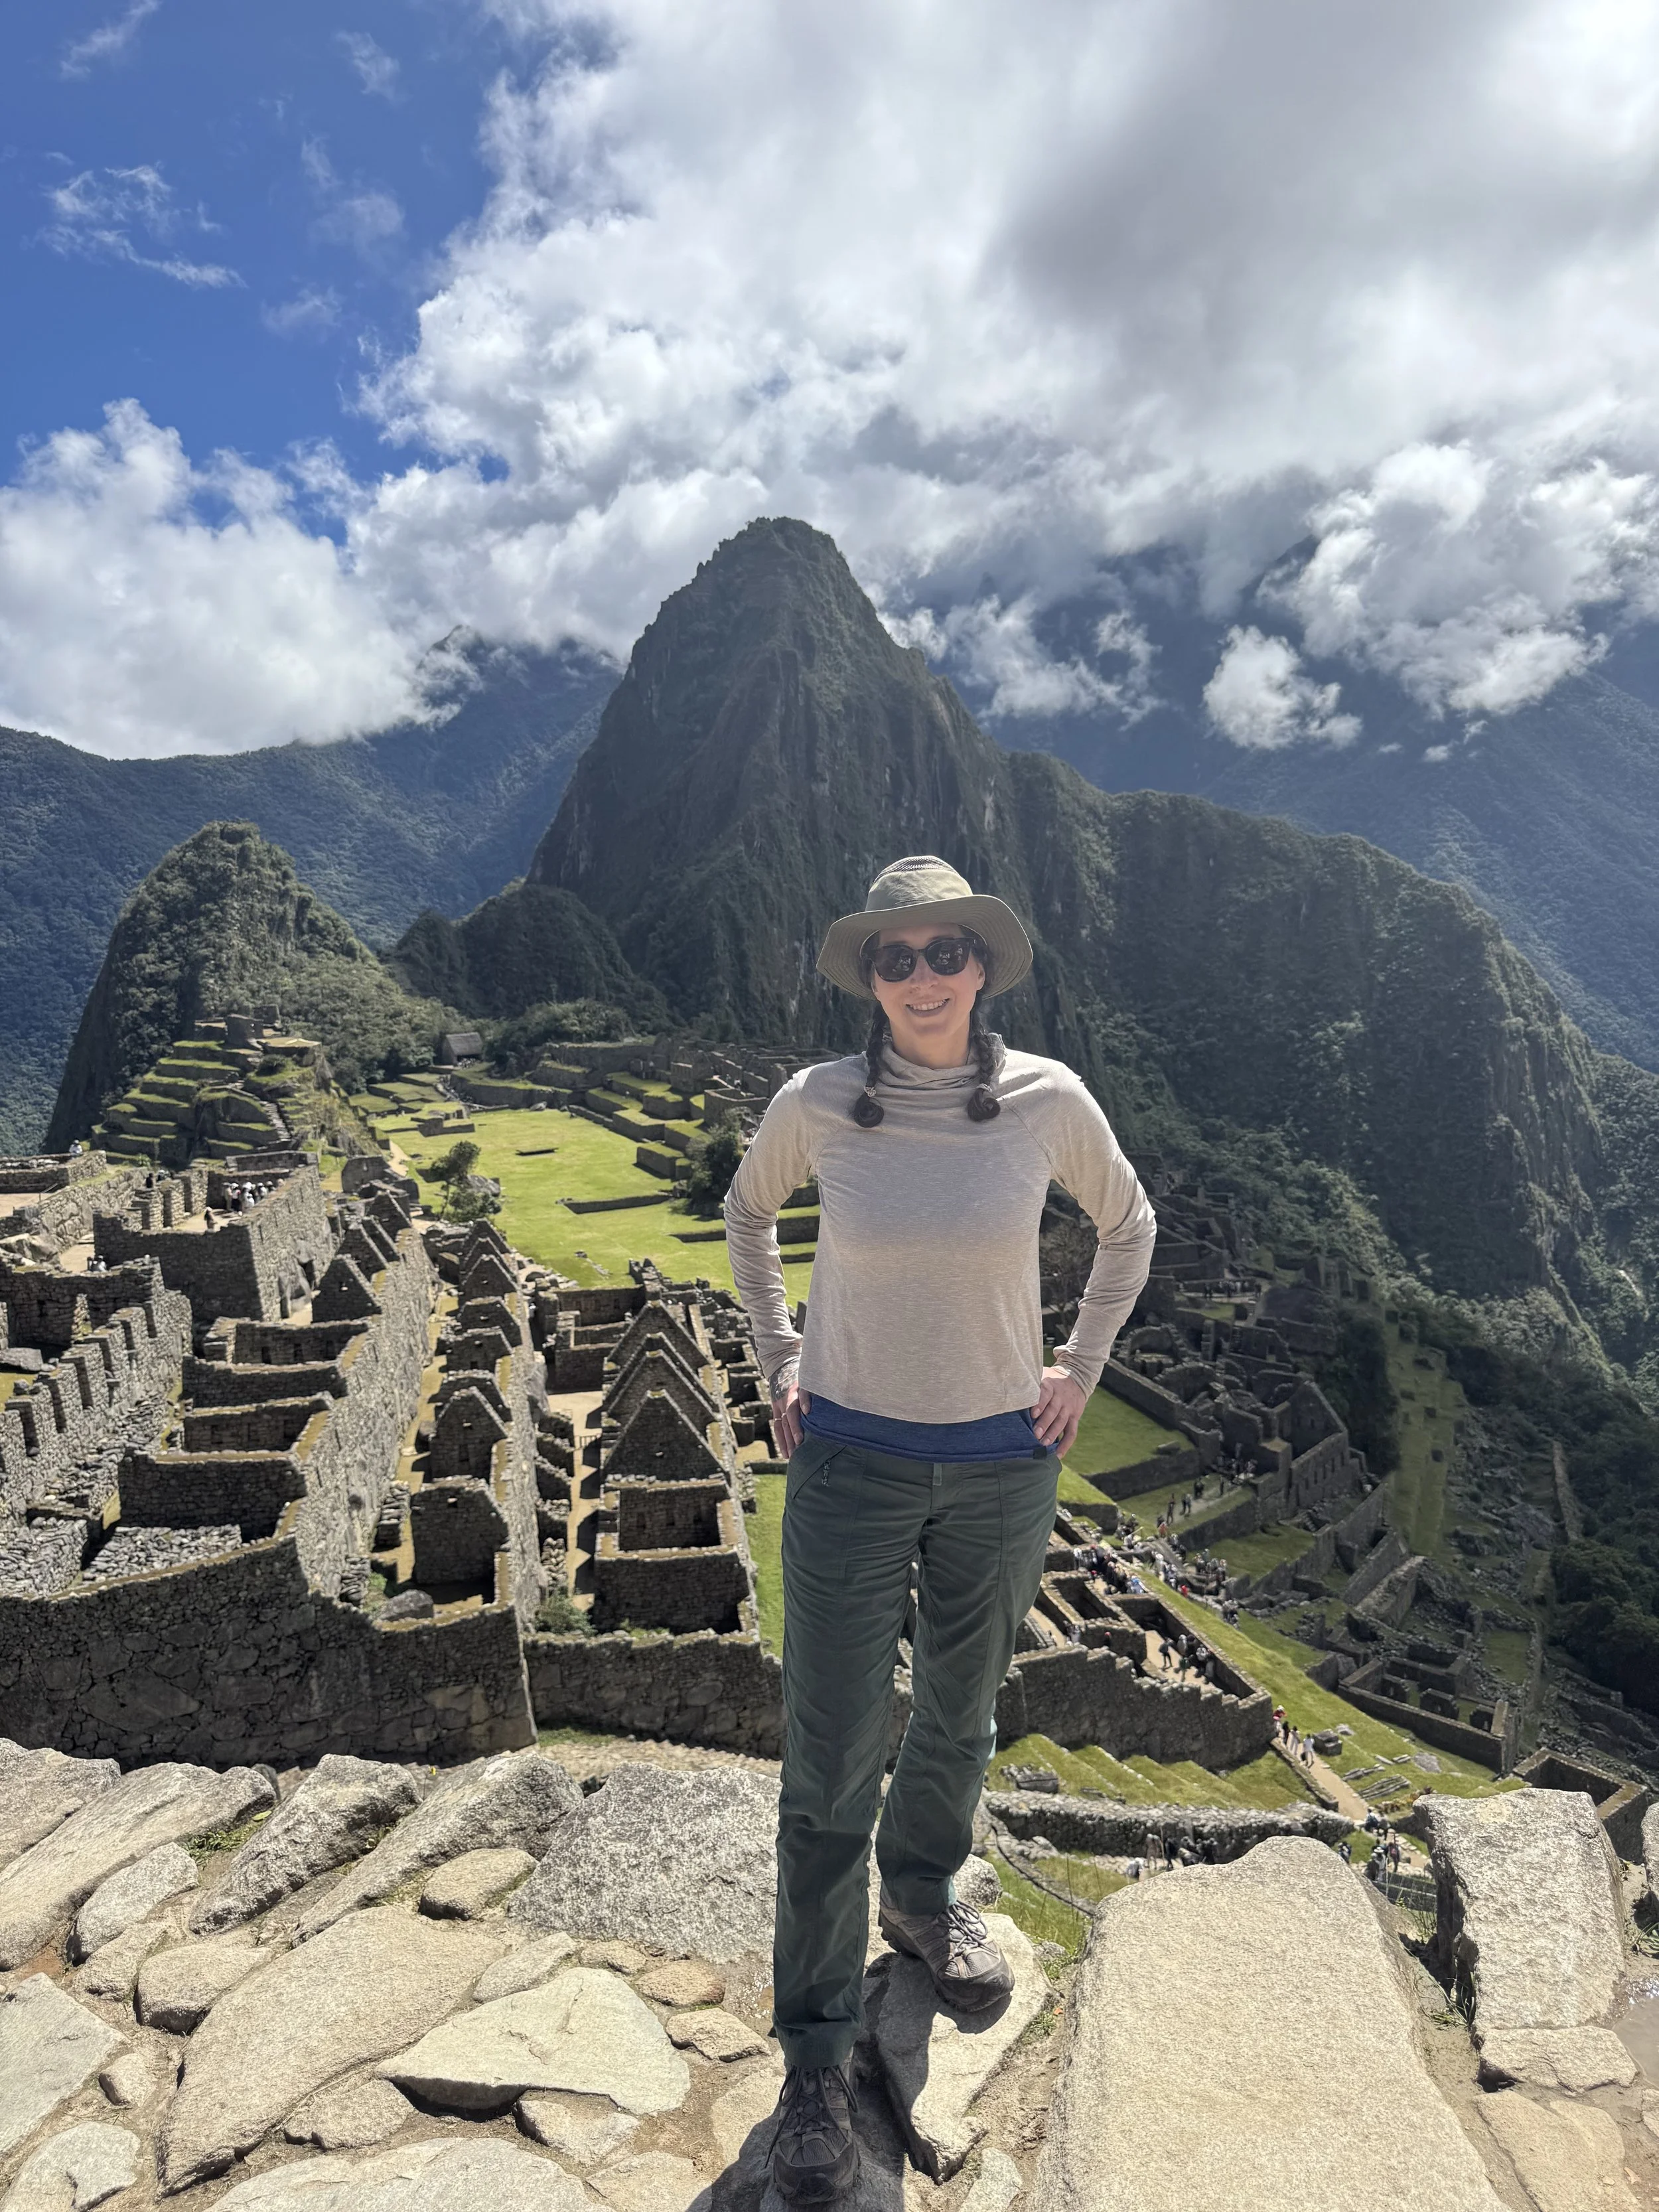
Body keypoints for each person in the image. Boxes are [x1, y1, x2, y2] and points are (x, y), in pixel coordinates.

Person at [724, 855, 1156, 2205]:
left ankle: (918, 1898)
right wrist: (774, 1356)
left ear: (982, 964)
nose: (923, 978)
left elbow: (1128, 1224)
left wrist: (1076, 1367)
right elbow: (747, 1215)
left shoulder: (1045, 1100)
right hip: (848, 1454)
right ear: (869, 976)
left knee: (961, 1712)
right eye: (896, 958)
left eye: (945, 953)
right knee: (829, 1750)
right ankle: (809, 2053)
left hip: (997, 1462)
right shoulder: (819, 1103)